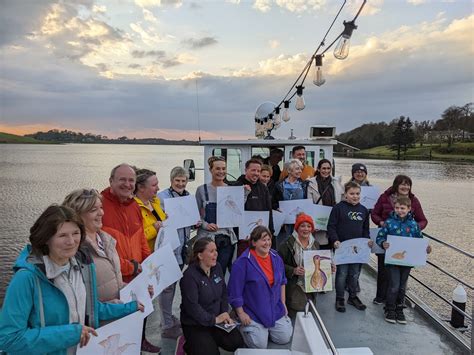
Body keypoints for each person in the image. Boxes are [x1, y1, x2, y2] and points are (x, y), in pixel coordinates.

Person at [0, 205, 141, 354]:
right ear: (46, 238)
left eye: (76, 233)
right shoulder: (26, 278)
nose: (71, 241)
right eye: (62, 235)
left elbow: (90, 308)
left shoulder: (83, 268)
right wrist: (71, 334)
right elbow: (9, 338)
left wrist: (130, 307)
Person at [101, 163, 160, 353]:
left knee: (140, 313)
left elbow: (141, 238)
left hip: (137, 275)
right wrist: (132, 267)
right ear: (111, 181)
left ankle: (140, 342)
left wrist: (148, 263)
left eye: (131, 180)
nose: (127, 184)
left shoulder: (135, 206)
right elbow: (102, 250)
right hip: (114, 280)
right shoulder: (100, 205)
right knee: (115, 329)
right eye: (122, 180)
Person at [228, 226, 293, 349]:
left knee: (284, 338)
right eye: (263, 240)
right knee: (259, 345)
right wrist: (241, 313)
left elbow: (282, 282)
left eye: (269, 239)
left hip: (274, 308)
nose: (267, 243)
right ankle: (244, 326)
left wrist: (283, 303)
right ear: (253, 242)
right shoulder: (242, 263)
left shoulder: (276, 257)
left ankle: (265, 330)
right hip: (253, 311)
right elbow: (234, 292)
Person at [179, 238, 244, 355]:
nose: (216, 254)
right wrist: (213, 320)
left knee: (236, 342)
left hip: (216, 319)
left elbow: (224, 293)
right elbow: (192, 308)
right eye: (211, 251)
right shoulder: (189, 276)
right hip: (195, 324)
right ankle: (188, 344)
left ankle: (207, 342)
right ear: (200, 255)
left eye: (216, 250)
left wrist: (224, 313)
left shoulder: (217, 267)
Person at [371, 175, 428, 305]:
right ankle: (381, 297)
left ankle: (398, 302)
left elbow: (423, 220)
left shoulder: (414, 201)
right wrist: (381, 222)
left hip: (405, 243)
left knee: (401, 276)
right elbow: (374, 213)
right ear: (396, 185)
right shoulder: (384, 197)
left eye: (408, 184)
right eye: (402, 184)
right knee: (383, 270)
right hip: (387, 238)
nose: (405, 187)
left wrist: (413, 228)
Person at [376, 196, 432, 324]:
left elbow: (419, 240)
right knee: (394, 285)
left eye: (402, 208)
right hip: (392, 261)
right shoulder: (389, 223)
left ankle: (399, 308)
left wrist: (426, 248)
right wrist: (383, 243)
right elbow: (380, 237)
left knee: (402, 286)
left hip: (407, 262)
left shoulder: (414, 225)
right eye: (397, 208)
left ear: (409, 209)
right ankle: (389, 308)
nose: (399, 210)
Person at [62, 189, 124, 302]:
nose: (101, 213)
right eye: (94, 210)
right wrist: (111, 306)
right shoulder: (73, 249)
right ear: (77, 215)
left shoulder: (107, 240)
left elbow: (114, 281)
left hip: (121, 314)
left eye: (101, 207)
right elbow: (75, 300)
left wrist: (137, 289)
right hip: (101, 318)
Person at [157, 166, 197, 339]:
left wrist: (195, 221)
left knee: (175, 284)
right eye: (177, 181)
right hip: (168, 248)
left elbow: (192, 218)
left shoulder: (189, 197)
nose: (180, 184)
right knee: (167, 287)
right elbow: (158, 220)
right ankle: (166, 324)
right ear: (171, 181)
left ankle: (168, 317)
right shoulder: (162, 197)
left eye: (183, 181)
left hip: (183, 248)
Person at [328, 181, 372, 313]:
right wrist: (334, 240)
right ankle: (340, 298)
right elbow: (331, 226)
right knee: (342, 274)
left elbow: (365, 230)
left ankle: (352, 297)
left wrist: (367, 242)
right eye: (351, 193)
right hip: (342, 248)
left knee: (354, 274)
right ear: (345, 194)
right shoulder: (338, 208)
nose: (355, 196)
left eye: (357, 194)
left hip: (358, 250)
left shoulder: (364, 210)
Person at [195, 156, 237, 276]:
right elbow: (195, 216)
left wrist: (244, 194)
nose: (221, 171)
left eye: (223, 168)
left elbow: (236, 214)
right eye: (217, 168)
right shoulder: (201, 190)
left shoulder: (231, 190)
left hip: (225, 239)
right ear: (210, 170)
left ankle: (218, 294)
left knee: (220, 273)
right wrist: (206, 225)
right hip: (207, 239)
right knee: (204, 273)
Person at [278, 213, 321, 317]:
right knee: (296, 312)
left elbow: (319, 263)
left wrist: (328, 267)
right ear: (297, 228)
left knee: (309, 310)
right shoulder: (287, 244)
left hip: (311, 285)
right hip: (294, 284)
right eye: (302, 226)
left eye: (309, 226)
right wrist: (293, 270)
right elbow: (277, 265)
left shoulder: (315, 244)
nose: (306, 229)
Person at [233, 158, 273, 257]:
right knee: (244, 261)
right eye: (253, 170)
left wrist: (270, 231)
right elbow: (232, 210)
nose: (256, 173)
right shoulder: (236, 186)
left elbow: (269, 210)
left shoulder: (263, 188)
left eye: (258, 171)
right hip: (242, 236)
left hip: (259, 236)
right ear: (246, 170)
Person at [307, 159, 344, 249]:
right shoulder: (311, 184)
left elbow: (342, 200)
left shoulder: (336, 182)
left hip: (334, 221)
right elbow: (309, 205)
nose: (326, 171)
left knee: (334, 247)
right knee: (321, 248)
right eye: (323, 168)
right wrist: (312, 223)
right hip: (319, 223)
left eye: (328, 168)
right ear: (318, 169)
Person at [273, 159, 310, 247]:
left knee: (298, 246)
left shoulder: (304, 185)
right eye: (297, 169)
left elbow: (308, 202)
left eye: (301, 169)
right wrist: (277, 208)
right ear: (289, 171)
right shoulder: (279, 185)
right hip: (284, 223)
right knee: (283, 247)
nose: (300, 171)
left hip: (299, 222)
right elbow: (273, 202)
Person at [134, 168, 166, 252]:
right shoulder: (133, 208)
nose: (158, 188)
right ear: (141, 187)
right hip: (147, 258)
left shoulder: (155, 202)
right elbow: (134, 239)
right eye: (154, 185)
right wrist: (154, 229)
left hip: (161, 253)